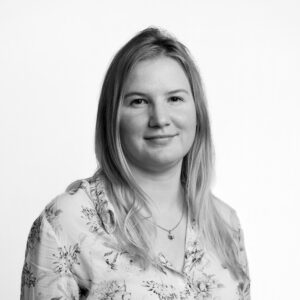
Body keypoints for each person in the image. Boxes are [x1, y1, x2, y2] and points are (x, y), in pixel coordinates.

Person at [21, 27, 250, 299]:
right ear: (113, 118)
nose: (160, 118)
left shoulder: (225, 225)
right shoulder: (66, 223)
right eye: (139, 101)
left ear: (197, 112)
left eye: (174, 98)